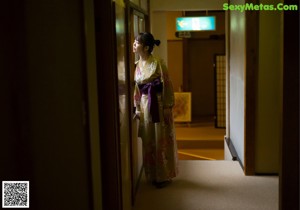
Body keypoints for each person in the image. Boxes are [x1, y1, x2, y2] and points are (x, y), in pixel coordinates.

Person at [133, 32, 178, 188]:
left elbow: (168, 84)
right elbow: (136, 89)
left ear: (146, 47)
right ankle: (152, 174)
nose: (134, 44)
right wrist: (137, 107)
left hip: (158, 104)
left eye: (136, 42)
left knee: (161, 139)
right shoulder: (136, 65)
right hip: (145, 105)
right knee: (149, 140)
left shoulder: (158, 63)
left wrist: (167, 106)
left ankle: (163, 176)